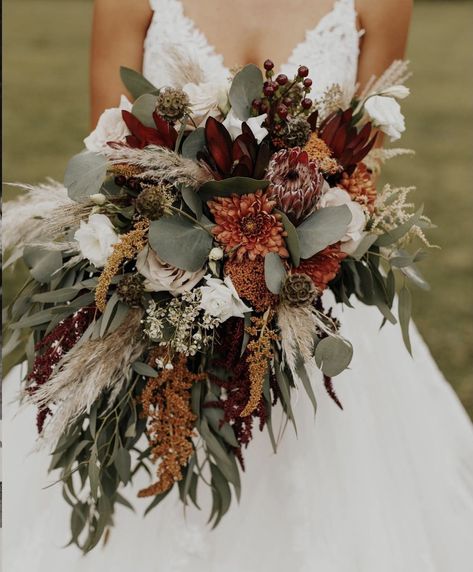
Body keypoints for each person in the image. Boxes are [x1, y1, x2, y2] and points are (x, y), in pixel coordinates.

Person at [4, 1, 473, 570]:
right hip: (158, 310)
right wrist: (188, 270)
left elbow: (360, 173)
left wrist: (289, 264)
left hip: (309, 309)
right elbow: (110, 163)